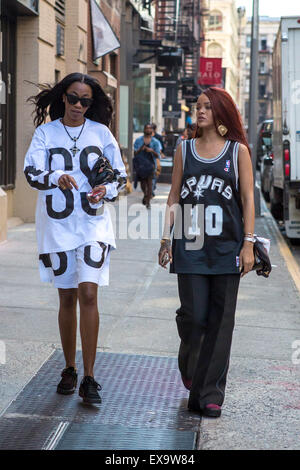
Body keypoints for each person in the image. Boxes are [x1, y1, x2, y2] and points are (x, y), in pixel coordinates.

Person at [24, 73, 127, 404]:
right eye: (73, 98)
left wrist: (105, 188)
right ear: (63, 97)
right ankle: (69, 367)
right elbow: (31, 172)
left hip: (93, 223)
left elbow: (120, 176)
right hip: (57, 227)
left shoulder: (100, 133)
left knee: (89, 294)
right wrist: (56, 175)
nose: (79, 105)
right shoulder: (46, 133)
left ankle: (90, 376)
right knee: (67, 297)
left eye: (85, 100)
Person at [158, 87, 255, 418]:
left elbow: (247, 200)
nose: (200, 111)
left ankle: (208, 394)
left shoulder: (237, 151)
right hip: (190, 246)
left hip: (227, 247)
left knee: (220, 322)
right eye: (197, 107)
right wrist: (165, 238)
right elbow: (173, 196)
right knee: (195, 317)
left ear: (221, 113)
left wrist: (249, 243)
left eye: (207, 107)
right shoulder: (184, 149)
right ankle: (188, 357)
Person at [133, 123, 161, 209]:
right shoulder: (138, 140)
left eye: (150, 128)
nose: (148, 130)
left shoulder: (155, 142)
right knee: (142, 183)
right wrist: (141, 148)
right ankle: (145, 195)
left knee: (149, 184)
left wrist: (151, 151)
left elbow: (158, 155)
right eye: (147, 128)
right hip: (141, 165)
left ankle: (148, 202)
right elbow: (135, 153)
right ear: (144, 129)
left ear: (152, 130)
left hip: (151, 165)